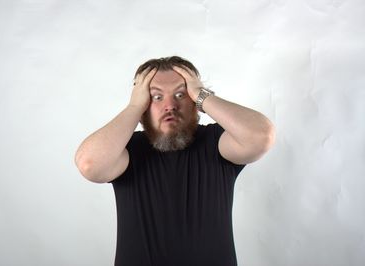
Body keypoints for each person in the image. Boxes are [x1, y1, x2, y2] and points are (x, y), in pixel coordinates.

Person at [75, 56, 275, 266]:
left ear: (194, 101)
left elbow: (261, 136)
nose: (170, 105)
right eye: (156, 97)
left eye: (181, 94)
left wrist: (202, 95)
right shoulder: (125, 149)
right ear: (144, 105)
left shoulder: (217, 143)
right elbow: (89, 164)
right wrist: (134, 107)